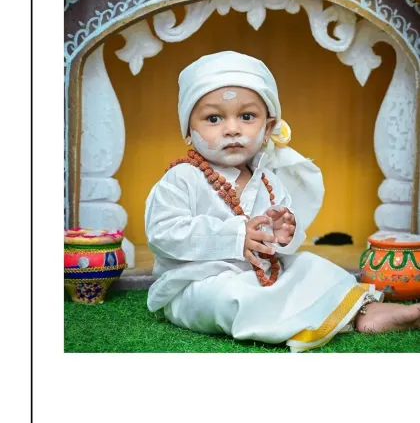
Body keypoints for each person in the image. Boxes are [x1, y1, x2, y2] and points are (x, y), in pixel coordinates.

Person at [145, 51, 420, 352]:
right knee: (230, 295)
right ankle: (306, 318)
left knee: (310, 265)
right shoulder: (183, 177)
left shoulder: (270, 181)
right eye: (214, 118)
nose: (233, 128)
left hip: (262, 274)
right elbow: (162, 233)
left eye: (247, 116)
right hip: (196, 285)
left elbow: (283, 247)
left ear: (268, 127)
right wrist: (238, 236)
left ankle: (363, 311)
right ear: (188, 130)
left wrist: (283, 231)